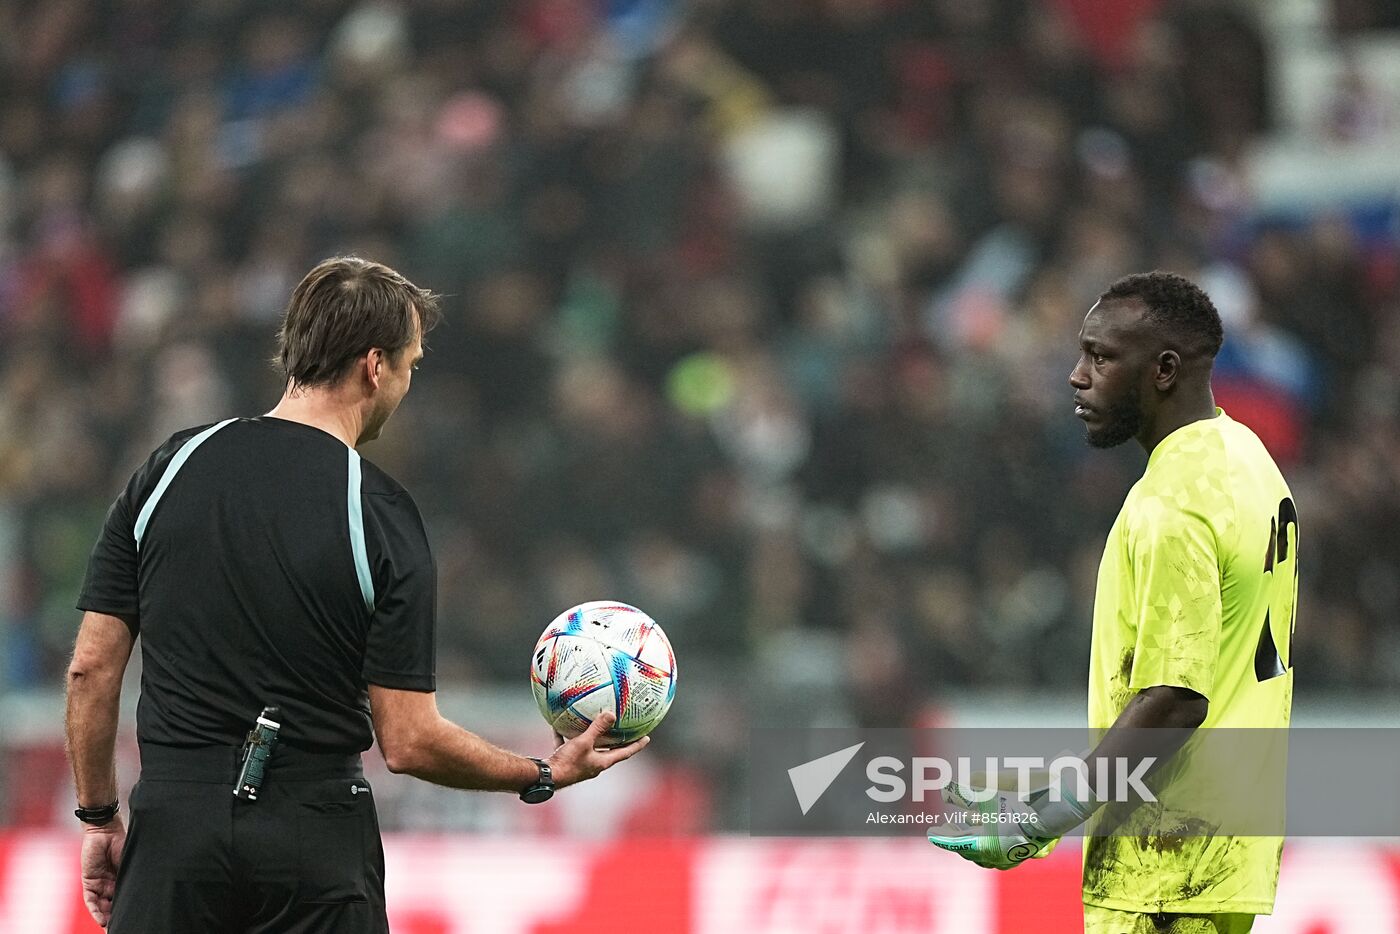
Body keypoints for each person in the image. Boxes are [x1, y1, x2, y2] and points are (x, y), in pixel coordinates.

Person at [65, 256, 647, 933]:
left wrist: (100, 817)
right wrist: (539, 772)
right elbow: (409, 741)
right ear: (375, 366)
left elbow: (90, 670)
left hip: (174, 831)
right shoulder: (378, 511)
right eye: (411, 365)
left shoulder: (168, 469)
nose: (406, 384)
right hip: (313, 841)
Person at [929, 272, 1297, 934]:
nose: (1077, 376)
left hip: (1162, 863)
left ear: (1162, 370)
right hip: (1226, 847)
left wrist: (1042, 818)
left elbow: (1176, 697)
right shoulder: (1246, 456)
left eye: (1101, 356)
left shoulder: (1171, 503)